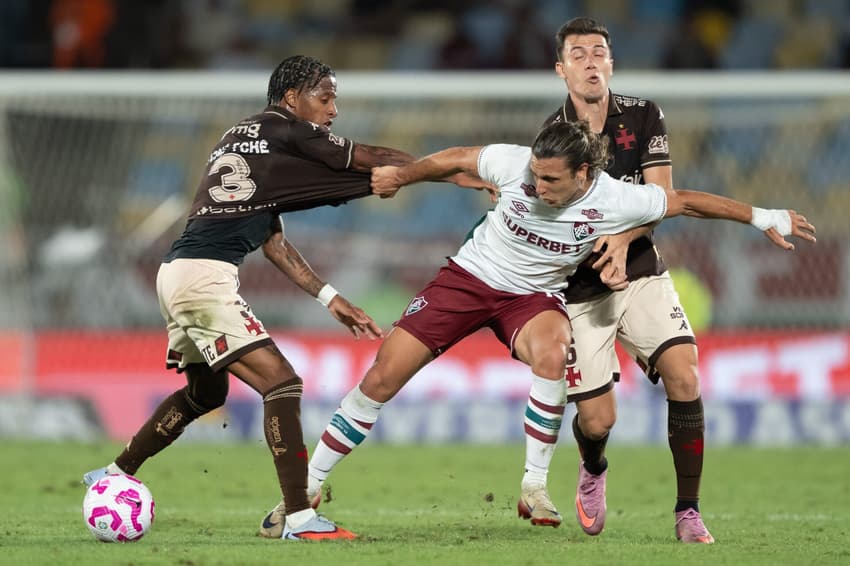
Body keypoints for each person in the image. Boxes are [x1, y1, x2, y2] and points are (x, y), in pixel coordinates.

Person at [262, 120, 814, 538]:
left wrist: (764, 216)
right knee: (383, 376)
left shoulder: (618, 199)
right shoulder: (514, 162)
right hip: (468, 278)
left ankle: (534, 488)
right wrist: (405, 177)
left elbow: (687, 201)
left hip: (532, 296)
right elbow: (457, 158)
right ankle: (307, 486)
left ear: (584, 175)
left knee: (555, 351)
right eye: (535, 176)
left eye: (551, 180)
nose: (537, 185)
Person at [82, 54, 423, 542]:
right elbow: (364, 156)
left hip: (178, 272)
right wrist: (448, 169)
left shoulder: (251, 142)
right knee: (282, 384)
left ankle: (115, 473)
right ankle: (299, 518)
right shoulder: (283, 128)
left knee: (206, 394)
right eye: (324, 98)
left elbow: (275, 243)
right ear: (291, 99)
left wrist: (330, 297)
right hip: (204, 278)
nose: (332, 112)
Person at [534, 16, 727, 543]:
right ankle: (592, 466)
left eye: (599, 51)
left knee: (685, 375)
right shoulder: (552, 135)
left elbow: (662, 197)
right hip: (582, 290)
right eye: (579, 54)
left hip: (641, 270)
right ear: (561, 69)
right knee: (598, 422)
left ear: (611, 63)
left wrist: (621, 241)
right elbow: (549, 214)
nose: (591, 61)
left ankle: (688, 511)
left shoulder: (643, 116)